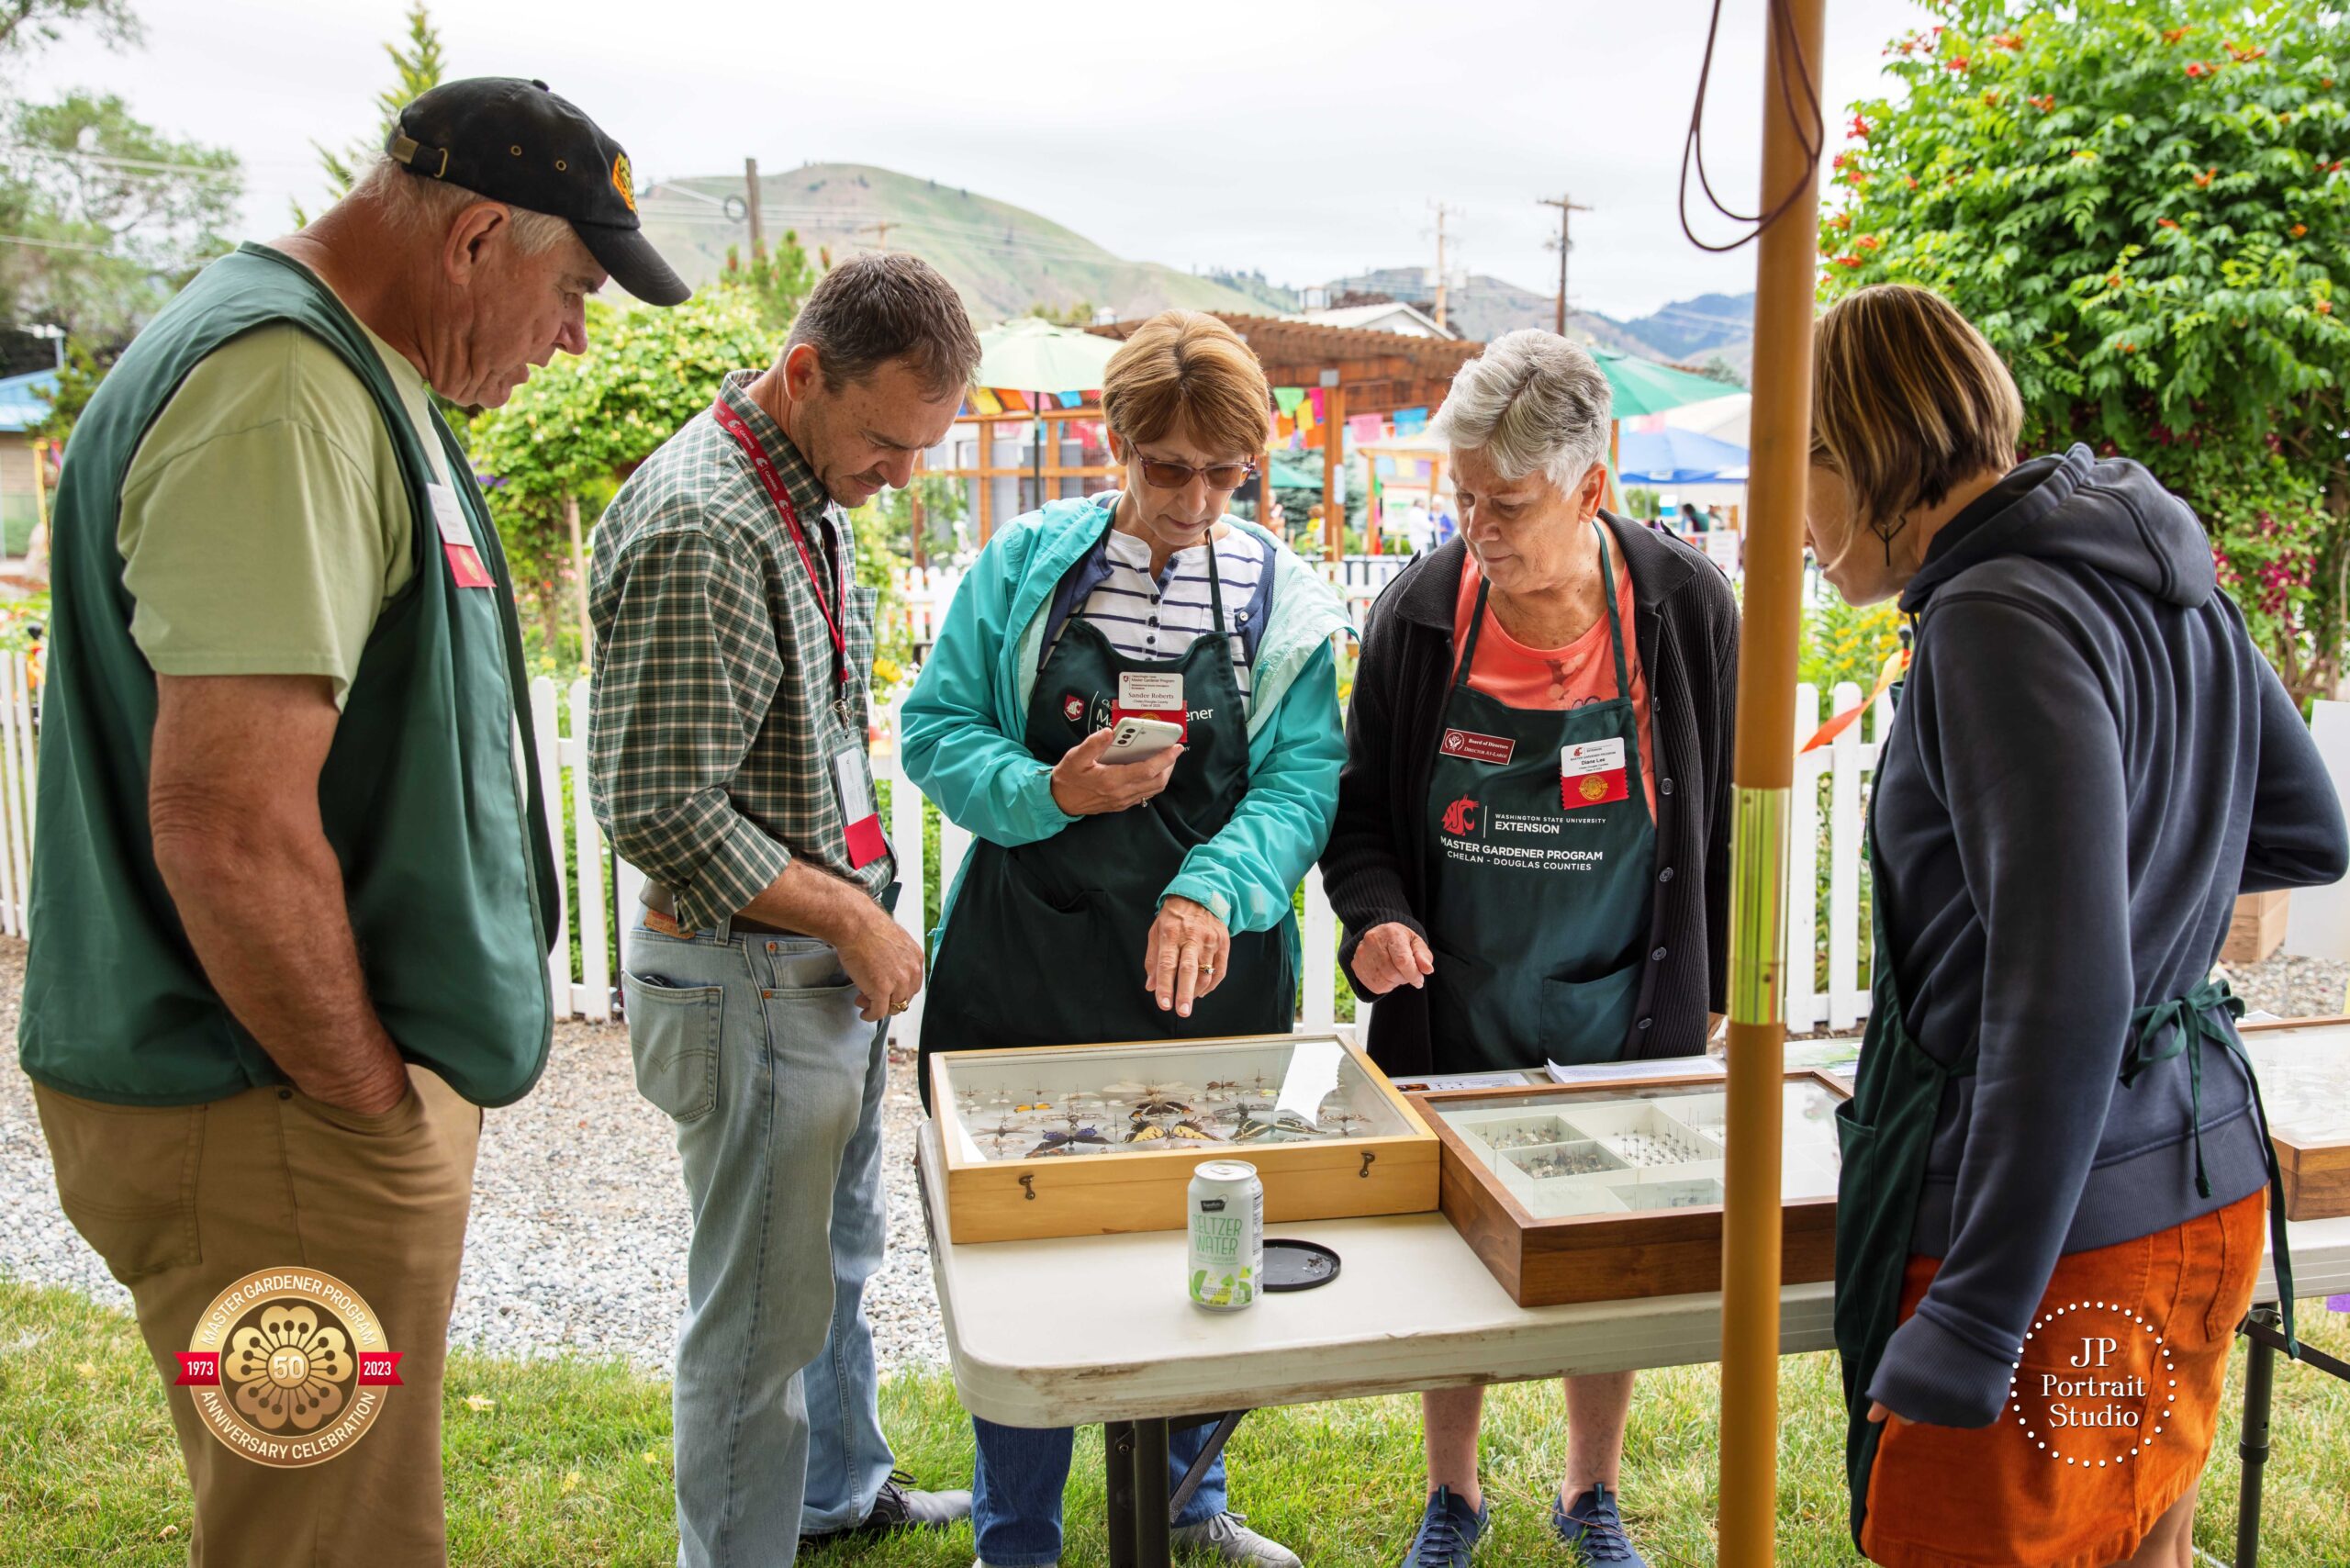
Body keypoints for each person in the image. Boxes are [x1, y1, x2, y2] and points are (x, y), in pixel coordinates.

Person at [18, 79, 681, 1567]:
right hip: (266, 1106)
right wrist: (366, 1106)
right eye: (572, 287)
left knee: (329, 1521)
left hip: (277, 1107)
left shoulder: (342, 371)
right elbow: (226, 821)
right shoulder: (284, 391)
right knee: (323, 1543)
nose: (576, 332)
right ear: (475, 243)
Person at [1809, 285, 2348, 1568]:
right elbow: (2303, 829)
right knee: (2140, 1547)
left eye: (1806, 472)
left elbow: (2066, 987)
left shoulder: (1990, 617)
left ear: (1867, 453)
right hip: (2199, 1178)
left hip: (2056, 1241)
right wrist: (2158, 895)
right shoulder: (2172, 578)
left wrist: (1980, 1316)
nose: (1805, 524)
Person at [901, 309, 1349, 1568]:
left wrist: (1213, 886)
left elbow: (1304, 780)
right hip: (1028, 960)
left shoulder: (1284, 599)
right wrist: (1051, 790)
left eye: (1225, 473)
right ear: (1115, 444)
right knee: (1024, 1253)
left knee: (1213, 1223)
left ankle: (1188, 1498)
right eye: (1167, 469)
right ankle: (1018, 1533)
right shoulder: (1029, 568)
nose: (1197, 499)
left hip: (1209, 967)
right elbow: (936, 728)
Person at [1320, 330, 1739, 1568]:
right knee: (1456, 1253)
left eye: (1506, 503)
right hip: (1459, 1001)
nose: (1477, 529)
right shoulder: (1417, 616)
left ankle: (1589, 1491)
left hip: (1622, 996)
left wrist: (1707, 981)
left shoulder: (1679, 607)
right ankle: (1453, 1495)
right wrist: (1377, 916)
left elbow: (1722, 808)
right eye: (1461, 498)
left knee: (1609, 1245)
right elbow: (1362, 821)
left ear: (1590, 486)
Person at [588, 253, 979, 1565]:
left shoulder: (799, 485)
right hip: (753, 972)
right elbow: (656, 804)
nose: (902, 474)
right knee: (757, 1322)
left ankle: (834, 1496)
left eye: (923, 447)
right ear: (802, 371)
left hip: (805, 971)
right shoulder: (709, 520)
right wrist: (855, 920)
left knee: (829, 1270)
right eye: (886, 438)